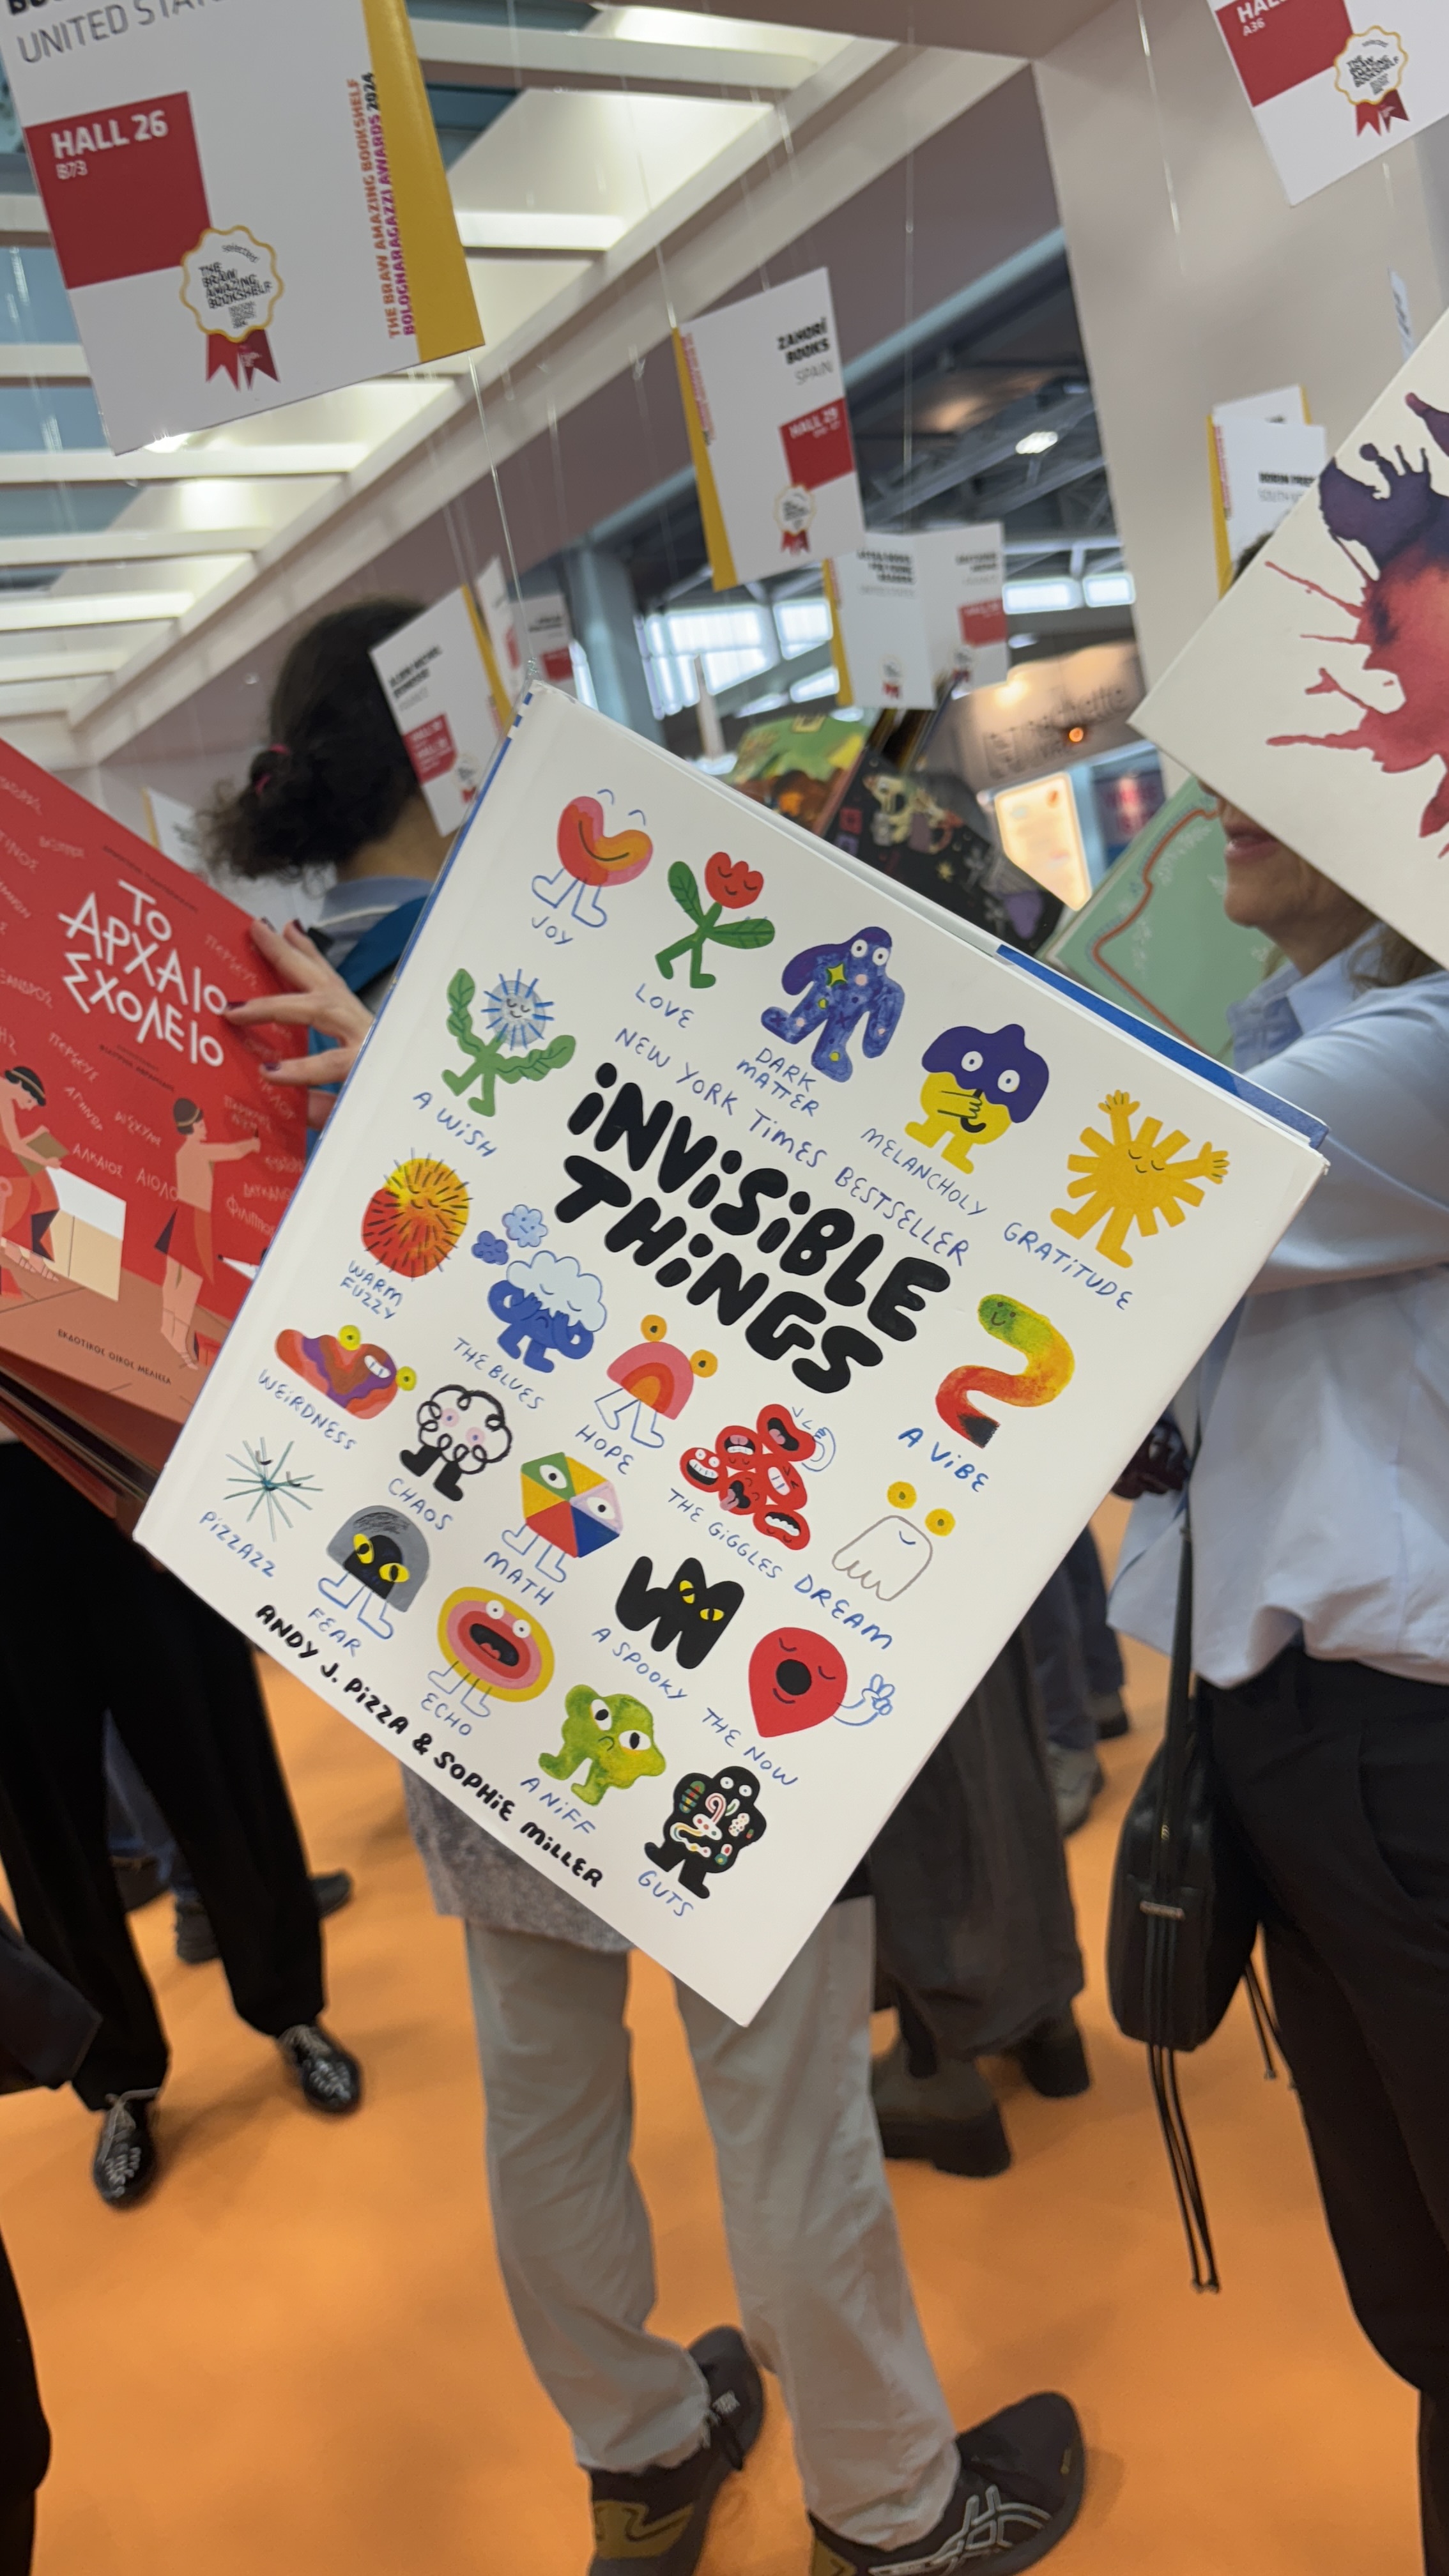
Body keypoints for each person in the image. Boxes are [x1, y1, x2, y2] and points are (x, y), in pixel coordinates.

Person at [213, 602, 1089, 2576]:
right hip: (690, 1603)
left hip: (448, 1614)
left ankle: (638, 2449)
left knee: (541, 2086)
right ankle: (890, 2506)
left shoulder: (256, 996)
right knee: (777, 2088)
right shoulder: (549, 944)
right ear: (452, 725)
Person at [1110, 792, 1449, 2574]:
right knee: (1420, 2300)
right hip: (1309, 1749)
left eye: (1294, 741)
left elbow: (1044, 1179)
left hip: (1406, 1749)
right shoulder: (1298, 1037)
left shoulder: (1421, 1048)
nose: (1230, 788)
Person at [0, 1445, 364, 2209]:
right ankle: (116, 2080)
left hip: (108, 1449)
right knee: (45, 1833)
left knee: (222, 1767)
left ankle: (291, 2009)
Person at [155, 1097, 259, 1364]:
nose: (205, 1128)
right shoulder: (199, 1152)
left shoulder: (183, 1153)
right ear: (191, 1127)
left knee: (173, 1275)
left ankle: (168, 1327)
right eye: (201, 1124)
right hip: (196, 1219)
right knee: (190, 1282)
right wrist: (253, 1143)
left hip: (182, 1214)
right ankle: (178, 1338)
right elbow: (232, 1152)